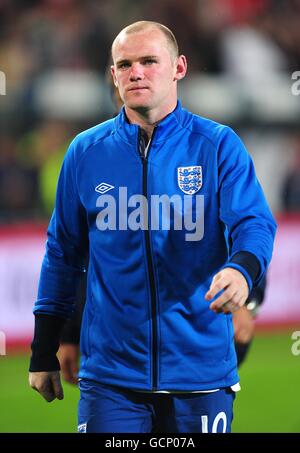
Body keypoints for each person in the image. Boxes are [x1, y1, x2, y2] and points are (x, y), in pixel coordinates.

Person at [29, 21, 276, 433]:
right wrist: (45, 347)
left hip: (200, 373)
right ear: (113, 75)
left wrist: (243, 271)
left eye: (148, 61)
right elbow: (64, 255)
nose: (136, 72)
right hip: (110, 378)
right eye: (124, 64)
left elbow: (253, 223)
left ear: (179, 67)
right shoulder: (85, 153)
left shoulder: (216, 145)